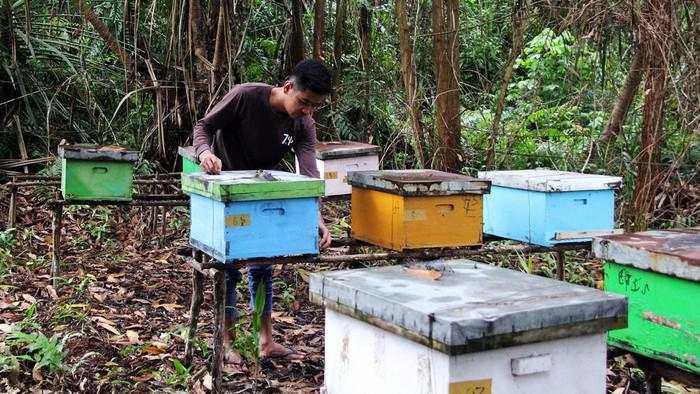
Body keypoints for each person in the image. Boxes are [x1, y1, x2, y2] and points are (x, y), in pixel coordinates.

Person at [192, 59, 332, 364]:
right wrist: (204, 152)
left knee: (263, 265)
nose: (308, 111)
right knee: (228, 270)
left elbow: (308, 173)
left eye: (315, 106)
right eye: (304, 102)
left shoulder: (303, 124)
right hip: (225, 191)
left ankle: (265, 340)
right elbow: (204, 126)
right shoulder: (246, 96)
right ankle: (228, 342)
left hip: (261, 193)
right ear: (287, 87)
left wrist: (316, 218)